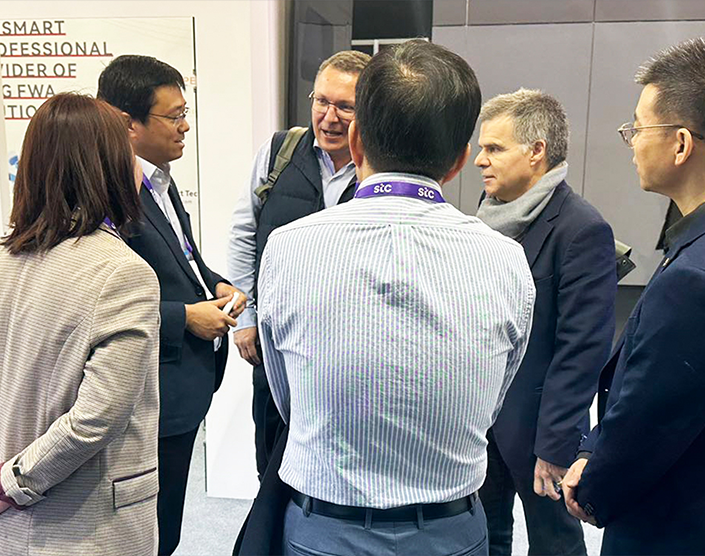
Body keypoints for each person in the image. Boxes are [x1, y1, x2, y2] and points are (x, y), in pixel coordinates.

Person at [258, 39, 536, 556]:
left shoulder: (288, 248)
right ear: (460, 160)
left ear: (355, 139)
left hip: (325, 528)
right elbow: (492, 399)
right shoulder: (506, 260)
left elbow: (289, 398)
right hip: (452, 530)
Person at [562, 36, 705, 555]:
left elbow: (650, 421)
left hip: (682, 530)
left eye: (638, 128)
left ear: (681, 144)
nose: (632, 141)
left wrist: (592, 485)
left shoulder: (700, 280)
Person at [0, 93, 160, 556]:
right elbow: (96, 419)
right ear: (109, 167)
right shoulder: (122, 273)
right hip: (84, 526)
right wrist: (10, 483)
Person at [98, 55, 245, 556]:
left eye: (186, 113)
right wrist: (185, 317)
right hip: (146, 392)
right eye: (174, 116)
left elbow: (184, 258)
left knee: (168, 529)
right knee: (145, 536)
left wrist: (216, 284)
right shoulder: (106, 191)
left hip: (182, 387)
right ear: (128, 123)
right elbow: (97, 303)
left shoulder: (159, 178)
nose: (185, 127)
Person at [474, 89, 616, 556]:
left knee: (555, 544)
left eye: (494, 148)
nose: (479, 160)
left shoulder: (581, 228)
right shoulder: (485, 215)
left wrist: (556, 445)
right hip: (480, 420)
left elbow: (582, 350)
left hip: (539, 431)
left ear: (536, 151)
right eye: (481, 147)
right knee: (483, 535)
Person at [228, 49, 370, 478]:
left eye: (345, 107)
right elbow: (243, 235)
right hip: (275, 342)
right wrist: (245, 318)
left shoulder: (380, 168)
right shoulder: (279, 152)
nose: (329, 117)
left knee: (337, 463)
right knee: (272, 459)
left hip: (347, 349)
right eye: (321, 101)